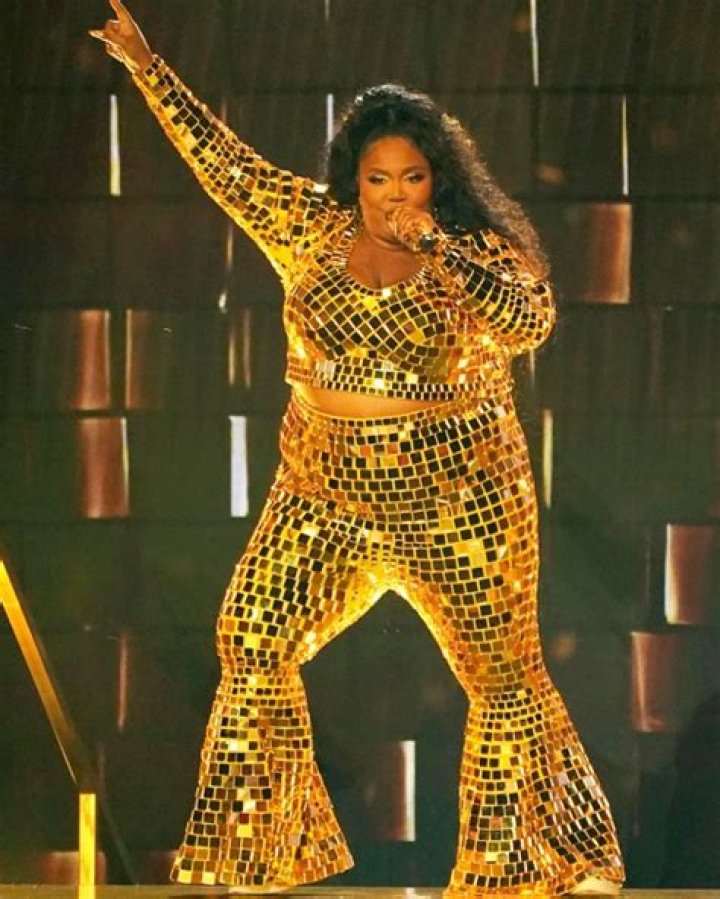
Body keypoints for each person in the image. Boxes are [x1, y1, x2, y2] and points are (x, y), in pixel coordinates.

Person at [91, 2, 625, 895]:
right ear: (355, 179)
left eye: (411, 178)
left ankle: (552, 860)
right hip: (325, 495)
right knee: (250, 634)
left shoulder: (476, 253)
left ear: (436, 180)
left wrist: (441, 251)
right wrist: (149, 69)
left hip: (458, 500)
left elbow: (527, 321)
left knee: (504, 674)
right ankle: (262, 851)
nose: (393, 195)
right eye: (378, 179)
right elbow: (224, 164)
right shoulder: (309, 228)